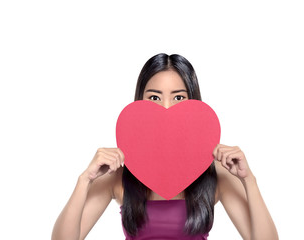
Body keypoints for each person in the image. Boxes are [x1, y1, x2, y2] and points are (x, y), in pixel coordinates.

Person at [52, 53, 278, 240]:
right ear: (140, 102)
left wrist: (249, 180)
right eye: (154, 97)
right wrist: (84, 181)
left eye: (178, 98)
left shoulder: (215, 174)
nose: (166, 108)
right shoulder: (120, 174)